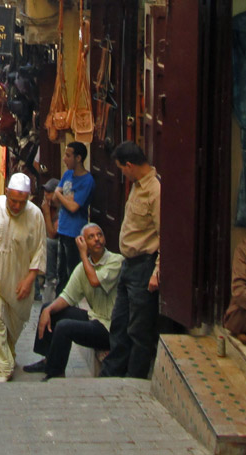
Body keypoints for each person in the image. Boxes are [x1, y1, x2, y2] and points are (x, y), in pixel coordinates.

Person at [23, 223, 122, 380]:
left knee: (64, 327)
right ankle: (48, 360)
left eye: (99, 235)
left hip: (110, 328)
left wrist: (83, 255)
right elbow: (67, 296)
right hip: (95, 318)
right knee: (49, 309)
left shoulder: (116, 261)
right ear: (83, 241)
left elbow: (95, 280)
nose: (97, 239)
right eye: (91, 237)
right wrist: (48, 311)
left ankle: (56, 372)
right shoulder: (83, 268)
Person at [0, 172, 47, 383]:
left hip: (20, 279)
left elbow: (40, 250)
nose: (16, 206)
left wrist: (29, 279)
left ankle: (8, 354)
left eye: (21, 202)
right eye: (13, 201)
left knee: (12, 327)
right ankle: (5, 368)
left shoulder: (35, 215)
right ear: (6, 193)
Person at [100, 141, 161, 379]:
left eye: (122, 169)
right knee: (120, 322)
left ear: (129, 165)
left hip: (143, 266)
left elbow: (162, 232)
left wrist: (157, 270)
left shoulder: (154, 191)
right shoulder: (137, 186)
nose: (122, 174)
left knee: (138, 328)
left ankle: (134, 379)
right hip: (129, 265)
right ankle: (112, 373)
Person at [51, 142, 95, 294]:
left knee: (72, 274)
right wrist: (64, 197)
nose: (64, 159)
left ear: (78, 158)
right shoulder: (67, 175)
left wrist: (59, 194)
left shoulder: (87, 180)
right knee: (61, 273)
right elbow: (55, 200)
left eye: (68, 155)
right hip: (63, 228)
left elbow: (73, 207)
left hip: (75, 232)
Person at [39, 178, 61, 301]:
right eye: (45, 193)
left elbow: (52, 234)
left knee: (49, 243)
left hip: (60, 245)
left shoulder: (60, 210)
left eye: (49, 193)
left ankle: (49, 278)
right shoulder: (52, 208)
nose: (46, 196)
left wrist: (46, 213)